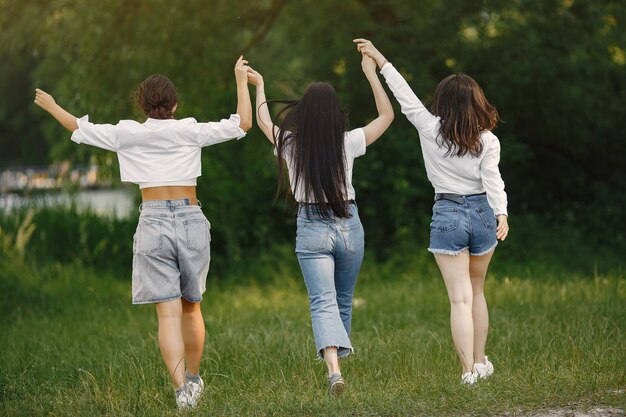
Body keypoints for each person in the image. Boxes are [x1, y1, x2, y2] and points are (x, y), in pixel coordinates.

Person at [33, 56, 253, 408]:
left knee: (167, 314)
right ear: (174, 104)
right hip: (190, 215)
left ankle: (182, 390)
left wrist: (52, 106)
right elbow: (243, 124)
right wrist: (241, 81)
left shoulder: (127, 132)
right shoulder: (190, 128)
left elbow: (78, 128)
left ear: (143, 105)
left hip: (152, 221)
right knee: (192, 307)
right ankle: (195, 381)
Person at [354, 38, 509, 385]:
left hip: (448, 214)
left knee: (459, 299)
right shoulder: (488, 140)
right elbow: (492, 180)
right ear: (477, 102)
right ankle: (482, 361)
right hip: (483, 213)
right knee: (478, 292)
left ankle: (468, 371)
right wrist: (501, 214)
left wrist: (379, 58)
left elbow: (405, 96)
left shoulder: (430, 128)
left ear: (442, 103)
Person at [246, 51, 394, 394]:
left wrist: (260, 86)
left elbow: (265, 123)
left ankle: (334, 372)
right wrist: (372, 73)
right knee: (341, 299)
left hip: (312, 227)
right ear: (334, 113)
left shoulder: (291, 143)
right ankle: (337, 366)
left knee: (323, 301)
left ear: (305, 113)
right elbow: (387, 115)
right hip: (348, 223)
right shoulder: (348, 142)